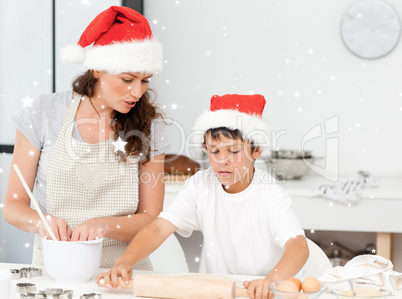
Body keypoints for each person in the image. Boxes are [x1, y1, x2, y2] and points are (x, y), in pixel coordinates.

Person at [3, 6, 169, 270]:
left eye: (145, 80)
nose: (137, 91)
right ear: (96, 69)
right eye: (127, 79)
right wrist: (42, 222)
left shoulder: (150, 127)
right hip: (54, 269)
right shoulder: (43, 114)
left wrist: (104, 225)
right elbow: (13, 205)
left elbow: (150, 218)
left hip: (124, 271)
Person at [96, 94, 309, 299]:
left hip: (269, 291)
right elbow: (159, 228)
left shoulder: (269, 195)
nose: (222, 160)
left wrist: (269, 281)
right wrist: (124, 262)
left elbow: (299, 247)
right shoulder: (200, 186)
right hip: (224, 291)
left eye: (233, 151)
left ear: (256, 151)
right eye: (214, 151)